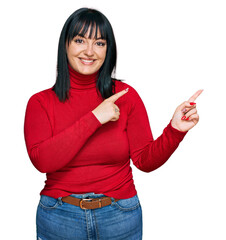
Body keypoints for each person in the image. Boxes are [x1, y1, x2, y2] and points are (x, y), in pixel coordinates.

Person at [23, 7, 203, 240]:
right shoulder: (40, 102)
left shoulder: (125, 96)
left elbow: (144, 161)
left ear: (108, 50)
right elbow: (43, 161)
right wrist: (95, 117)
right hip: (60, 217)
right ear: (65, 45)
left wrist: (175, 131)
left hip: (119, 215)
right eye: (80, 40)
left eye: (99, 43)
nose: (89, 51)